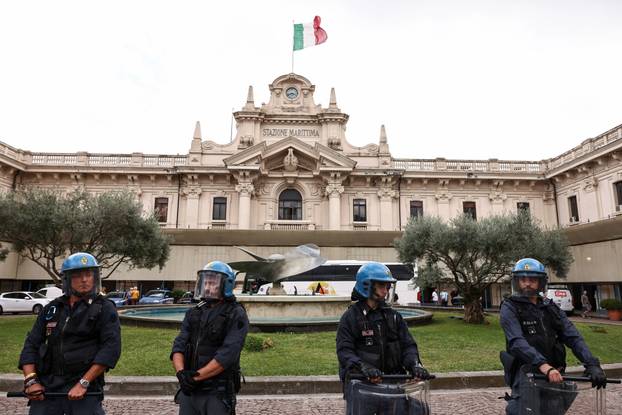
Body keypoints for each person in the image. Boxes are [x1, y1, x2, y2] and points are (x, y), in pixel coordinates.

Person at [18, 252, 121, 415]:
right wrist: (31, 381)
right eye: (78, 275)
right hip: (49, 386)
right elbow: (31, 344)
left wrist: (83, 383)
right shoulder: (51, 308)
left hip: (85, 387)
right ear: (66, 279)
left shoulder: (105, 308)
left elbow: (110, 349)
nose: (85, 280)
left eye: (89, 274)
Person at [500, 258, 607, 415]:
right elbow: (516, 342)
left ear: (541, 282)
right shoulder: (509, 307)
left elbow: (572, 336)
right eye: (523, 279)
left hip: (554, 374)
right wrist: (543, 366)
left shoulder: (550, 307)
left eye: (532, 279)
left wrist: (592, 364)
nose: (527, 283)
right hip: (527, 373)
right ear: (516, 281)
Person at [336, 262, 433, 415]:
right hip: (362, 386)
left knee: (419, 410)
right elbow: (344, 351)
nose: (386, 290)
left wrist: (415, 365)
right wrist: (363, 367)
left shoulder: (394, 316)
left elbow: (408, 346)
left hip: (393, 385)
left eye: (388, 286)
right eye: (382, 285)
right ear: (367, 285)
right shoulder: (351, 318)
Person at [171, 261, 249, 415]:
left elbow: (226, 356)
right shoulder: (194, 312)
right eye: (205, 281)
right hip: (190, 391)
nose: (207, 286)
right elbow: (179, 345)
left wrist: (194, 378)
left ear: (227, 285)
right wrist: (181, 374)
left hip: (217, 392)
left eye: (212, 282)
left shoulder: (236, 314)